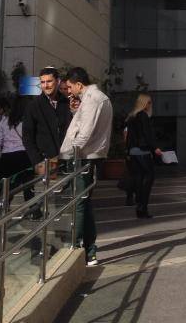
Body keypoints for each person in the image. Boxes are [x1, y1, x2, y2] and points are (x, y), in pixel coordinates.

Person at [59, 67, 113, 267]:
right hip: (90, 155)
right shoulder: (97, 98)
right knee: (85, 202)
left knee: (79, 203)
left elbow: (85, 133)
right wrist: (76, 111)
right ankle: (89, 251)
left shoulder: (92, 99)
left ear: (79, 84)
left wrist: (68, 153)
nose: (69, 91)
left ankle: (74, 245)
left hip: (84, 157)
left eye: (70, 87)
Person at [21, 67, 73, 179]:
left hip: (67, 160)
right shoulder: (33, 106)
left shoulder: (67, 103)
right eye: (42, 82)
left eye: (49, 81)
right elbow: (27, 137)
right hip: (45, 162)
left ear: (57, 81)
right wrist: (38, 162)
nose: (45, 85)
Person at [126, 93, 163, 219]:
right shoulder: (143, 116)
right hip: (143, 151)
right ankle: (142, 208)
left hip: (133, 152)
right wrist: (155, 148)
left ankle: (140, 207)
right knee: (148, 178)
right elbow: (147, 134)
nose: (150, 104)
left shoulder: (132, 116)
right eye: (149, 102)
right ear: (144, 103)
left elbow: (129, 136)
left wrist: (128, 151)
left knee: (139, 178)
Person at [0, 96, 34, 205]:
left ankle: (1, 208)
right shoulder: (28, 121)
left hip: (7, 156)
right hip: (24, 155)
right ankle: (33, 210)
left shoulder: (4, 120)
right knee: (28, 185)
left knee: (6, 185)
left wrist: (1, 155)